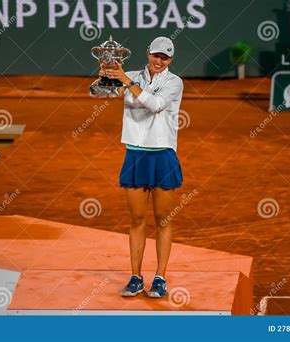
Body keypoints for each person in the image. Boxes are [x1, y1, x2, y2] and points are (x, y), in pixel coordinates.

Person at [99, 37, 184, 298]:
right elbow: (100, 93)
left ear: (171, 60)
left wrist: (125, 80)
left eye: (164, 57)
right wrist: (105, 73)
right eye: (155, 55)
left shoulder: (174, 82)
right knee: (137, 220)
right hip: (135, 154)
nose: (159, 61)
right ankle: (136, 277)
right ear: (147, 53)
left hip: (163, 156)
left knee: (162, 219)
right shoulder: (131, 74)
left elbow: (156, 105)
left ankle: (160, 278)